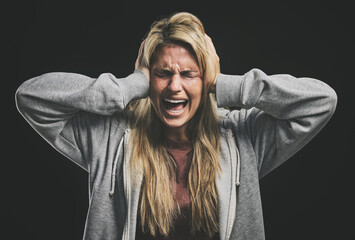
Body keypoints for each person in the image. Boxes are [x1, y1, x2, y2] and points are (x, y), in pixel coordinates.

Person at [15, 12, 337, 240]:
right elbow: (32, 97)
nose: (174, 87)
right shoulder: (111, 138)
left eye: (188, 74)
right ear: (147, 78)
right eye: (162, 73)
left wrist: (225, 85)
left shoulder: (243, 137)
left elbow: (321, 101)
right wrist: (125, 87)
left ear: (205, 79)